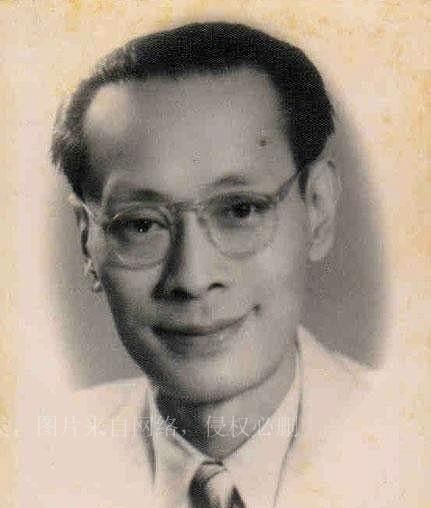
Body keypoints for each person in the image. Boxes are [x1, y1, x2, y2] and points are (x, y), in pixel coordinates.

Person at [45, 22, 392, 508]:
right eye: (141, 224)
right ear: (88, 242)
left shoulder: (410, 437)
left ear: (318, 209)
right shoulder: (33, 460)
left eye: (240, 210)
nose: (192, 278)